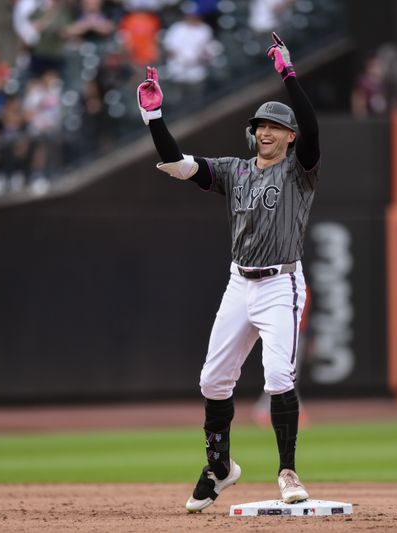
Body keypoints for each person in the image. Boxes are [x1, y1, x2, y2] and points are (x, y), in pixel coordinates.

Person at [137, 32, 320, 512]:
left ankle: (287, 470)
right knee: (213, 381)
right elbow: (178, 166)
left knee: (279, 375)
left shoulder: (300, 170)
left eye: (275, 126)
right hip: (241, 282)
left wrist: (288, 75)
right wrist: (154, 118)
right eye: (260, 125)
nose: (266, 131)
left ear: (290, 136)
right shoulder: (234, 171)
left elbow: (314, 131)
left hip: (281, 282)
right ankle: (220, 468)